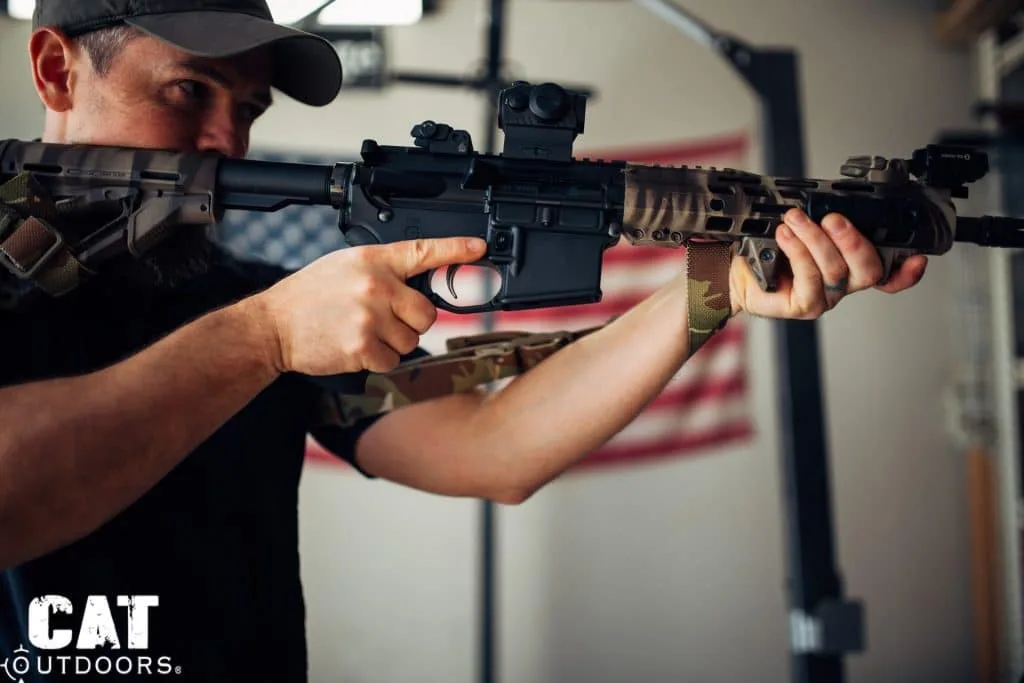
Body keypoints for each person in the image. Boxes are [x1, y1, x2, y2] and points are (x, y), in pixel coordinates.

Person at [0, 0, 928, 680]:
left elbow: (491, 450)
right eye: (187, 89)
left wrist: (713, 286)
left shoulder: (248, 298)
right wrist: (267, 337)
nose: (225, 140)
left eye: (247, 109)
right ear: (54, 69)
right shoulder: (263, 319)